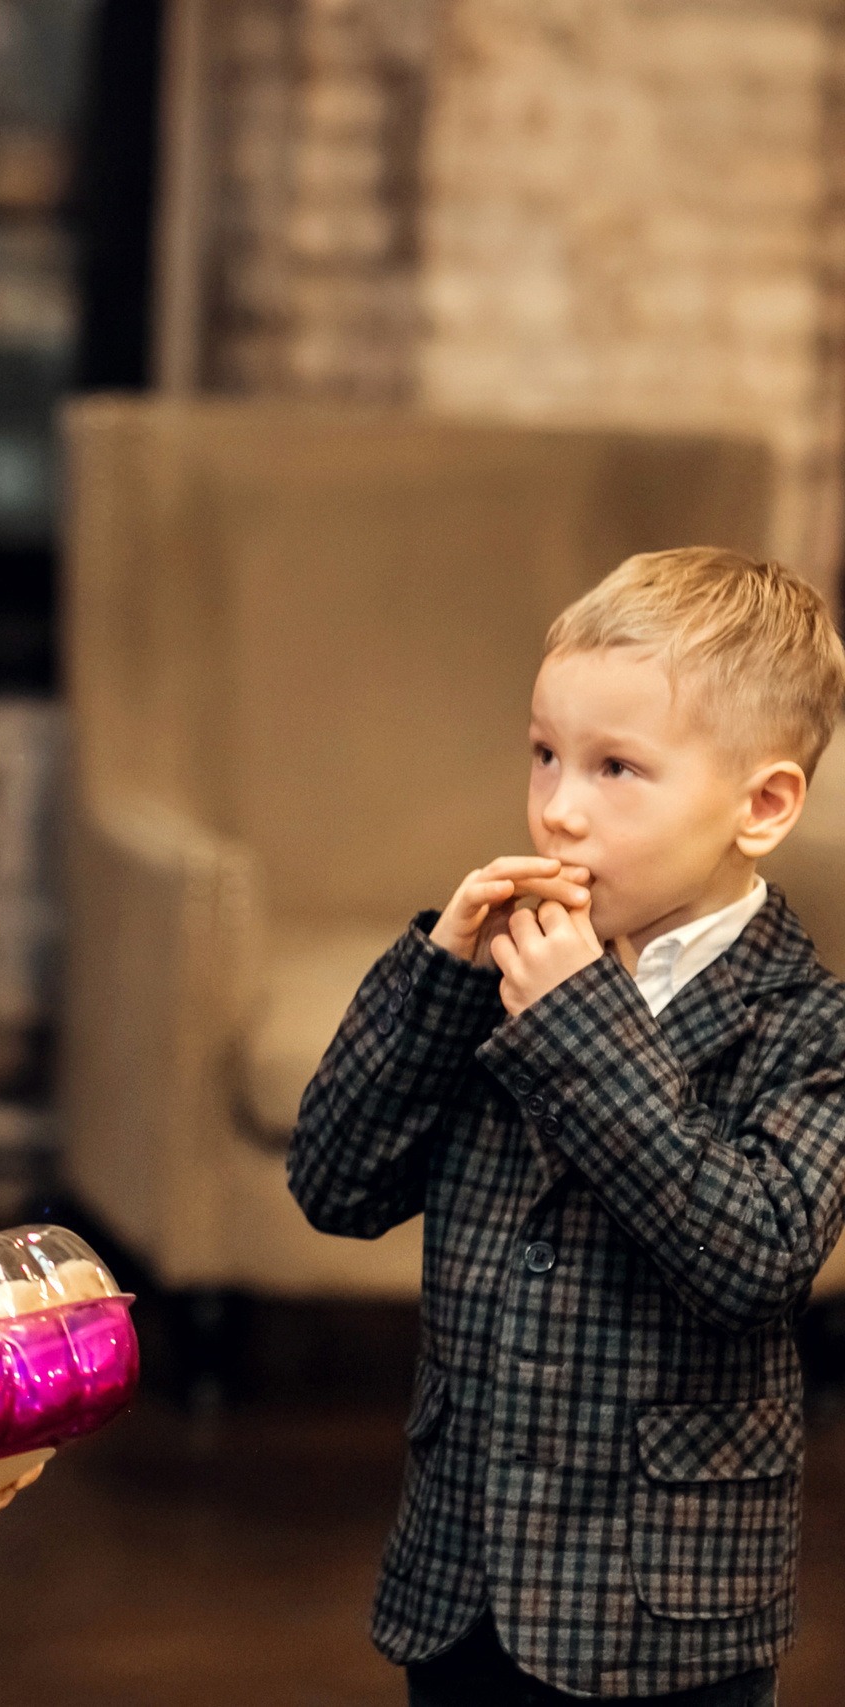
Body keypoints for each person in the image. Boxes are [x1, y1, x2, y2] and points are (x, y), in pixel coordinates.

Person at [287, 547, 845, 1706]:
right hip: (462, 1585)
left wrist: (578, 1024)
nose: (558, 807)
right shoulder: (493, 978)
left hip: (665, 1619)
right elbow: (335, 1185)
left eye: (616, 768)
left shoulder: (809, 1024)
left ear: (761, 806)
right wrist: (442, 980)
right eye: (543, 753)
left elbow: (753, 1260)